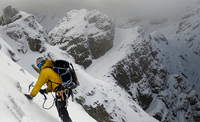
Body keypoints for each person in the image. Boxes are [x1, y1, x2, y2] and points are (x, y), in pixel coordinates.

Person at [25, 57, 72, 122]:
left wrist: (31, 95)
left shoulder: (45, 71)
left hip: (61, 91)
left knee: (62, 111)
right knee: (61, 110)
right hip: (65, 90)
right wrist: (45, 91)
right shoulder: (51, 69)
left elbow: (38, 84)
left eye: (38, 65)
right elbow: (54, 84)